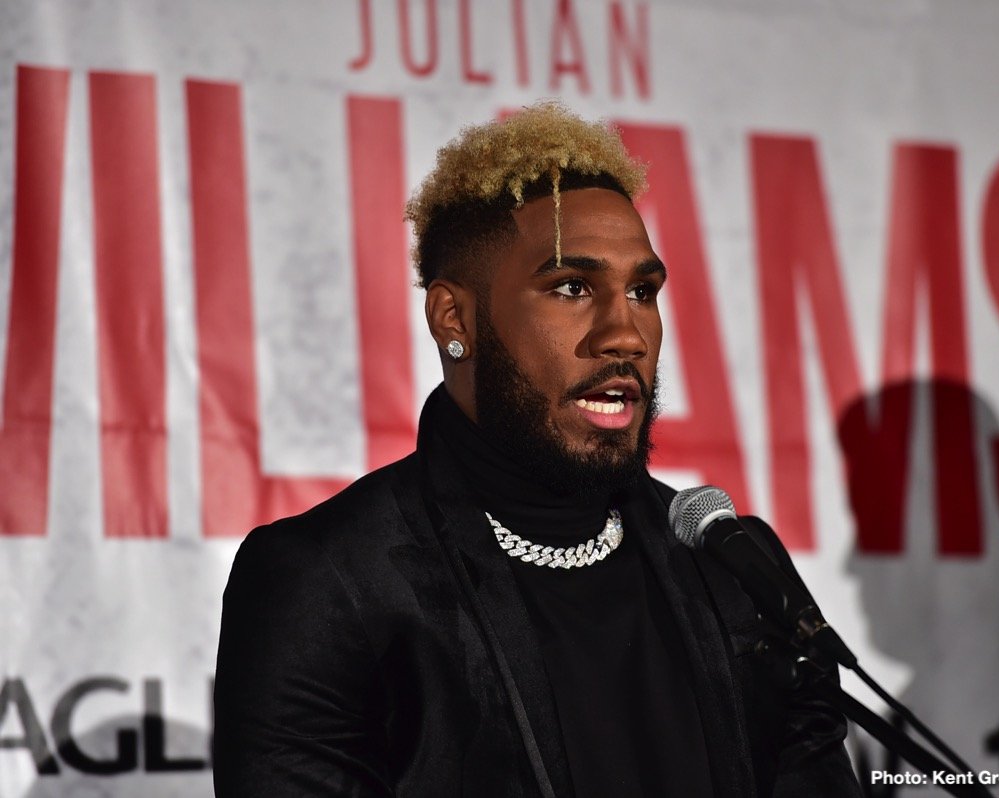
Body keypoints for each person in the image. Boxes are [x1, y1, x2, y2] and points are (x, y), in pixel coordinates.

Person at [213, 102, 862, 797]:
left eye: (642, 291)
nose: (626, 334)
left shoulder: (732, 570)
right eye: (572, 288)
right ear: (454, 318)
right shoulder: (330, 582)